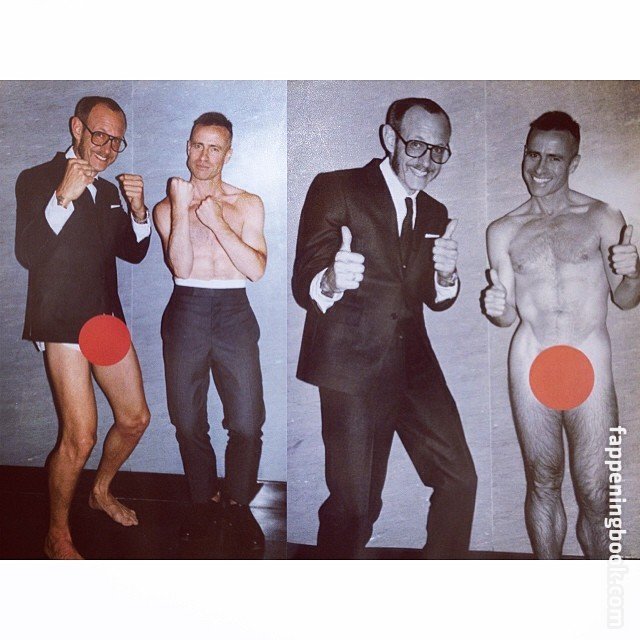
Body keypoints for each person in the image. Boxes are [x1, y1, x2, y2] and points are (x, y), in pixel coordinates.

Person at [292, 98, 477, 559]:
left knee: (459, 478)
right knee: (356, 505)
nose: (427, 161)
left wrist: (447, 276)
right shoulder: (338, 188)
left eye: (439, 151)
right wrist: (331, 279)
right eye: (416, 145)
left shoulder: (435, 212)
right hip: (351, 365)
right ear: (390, 138)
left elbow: (433, 297)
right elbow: (304, 282)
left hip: (413, 365)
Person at [483, 111, 640, 559]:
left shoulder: (602, 217)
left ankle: (605, 585)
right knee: (543, 479)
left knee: (597, 489)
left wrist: (634, 273)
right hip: (531, 358)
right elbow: (506, 316)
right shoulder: (503, 230)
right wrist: (497, 308)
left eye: (554, 158)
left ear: (574, 163)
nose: (540, 168)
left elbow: (626, 299)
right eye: (533, 154)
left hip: (589, 358)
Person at [14, 96, 152, 560]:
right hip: (61, 322)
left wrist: (138, 211)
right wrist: (62, 197)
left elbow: (133, 253)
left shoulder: (109, 190)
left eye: (116, 141)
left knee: (134, 419)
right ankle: (56, 533)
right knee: (81, 437)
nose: (108, 148)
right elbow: (28, 254)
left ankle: (100, 491)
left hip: (104, 319)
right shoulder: (36, 178)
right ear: (77, 128)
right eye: (99, 135)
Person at [153, 112, 267, 552]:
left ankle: (237, 504)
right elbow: (181, 266)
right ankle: (203, 502)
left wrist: (217, 221)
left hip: (234, 310)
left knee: (247, 421)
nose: (203, 157)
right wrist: (184, 207)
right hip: (187, 308)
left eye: (214, 148)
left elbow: (256, 269)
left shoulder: (248, 203)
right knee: (186, 420)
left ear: (228, 154)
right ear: (188, 147)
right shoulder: (168, 207)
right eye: (197, 145)